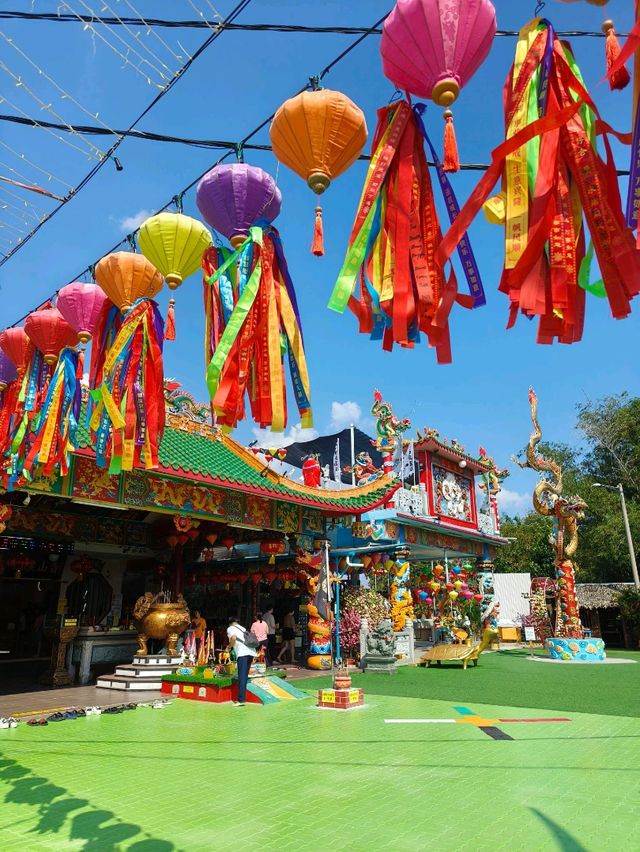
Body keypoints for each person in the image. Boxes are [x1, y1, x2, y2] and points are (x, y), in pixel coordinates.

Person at [226, 616, 255, 706]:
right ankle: (242, 697)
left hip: (242, 653)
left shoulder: (230, 628)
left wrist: (229, 647)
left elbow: (233, 638)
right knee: (245, 675)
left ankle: (241, 700)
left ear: (230, 623)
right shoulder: (243, 628)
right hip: (251, 652)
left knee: (241, 676)